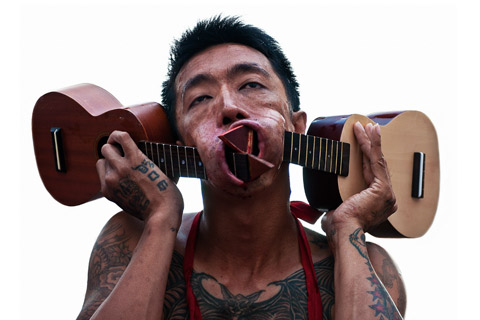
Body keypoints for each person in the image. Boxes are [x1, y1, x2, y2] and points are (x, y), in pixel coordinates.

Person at [77, 16, 406, 319]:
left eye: (251, 85)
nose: (229, 107)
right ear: (183, 148)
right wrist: (162, 218)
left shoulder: (365, 264)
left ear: (296, 127)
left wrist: (349, 228)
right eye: (200, 98)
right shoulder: (130, 240)